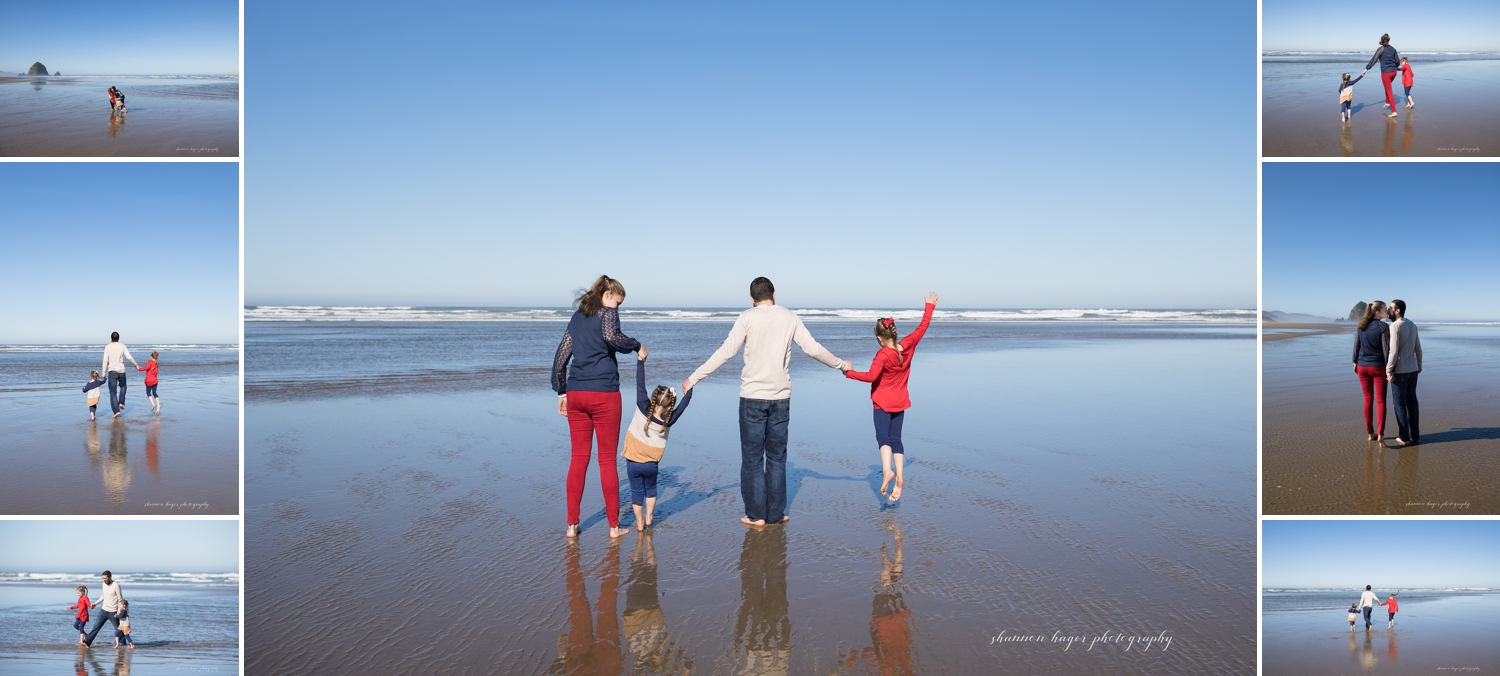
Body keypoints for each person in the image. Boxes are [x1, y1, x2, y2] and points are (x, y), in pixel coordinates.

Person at [684, 277, 851, 527]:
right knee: (777, 458)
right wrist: (841, 365)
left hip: (752, 397)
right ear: (774, 293)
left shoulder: (746, 318)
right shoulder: (789, 317)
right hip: (780, 398)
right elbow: (813, 349)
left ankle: (756, 516)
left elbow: (726, 352)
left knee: (752, 459)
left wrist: (694, 377)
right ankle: (776, 514)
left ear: (751, 298)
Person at [551, 275, 640, 539]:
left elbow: (561, 357)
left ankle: (571, 525)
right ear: (607, 294)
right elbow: (614, 337)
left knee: (578, 459)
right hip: (603, 394)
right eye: (617, 302)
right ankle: (614, 526)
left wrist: (561, 391)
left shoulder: (577, 317)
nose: (617, 308)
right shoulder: (607, 313)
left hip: (576, 394)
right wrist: (637, 345)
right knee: (606, 460)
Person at [843, 293, 938, 502]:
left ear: (879, 338)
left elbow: (871, 377)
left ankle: (887, 471)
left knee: (882, 437)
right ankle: (900, 477)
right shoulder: (908, 346)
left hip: (882, 403)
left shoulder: (882, 355)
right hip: (900, 402)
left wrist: (848, 372)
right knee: (897, 439)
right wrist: (929, 306)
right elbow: (922, 328)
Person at [622, 346, 693, 531]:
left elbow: (640, 383)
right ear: (670, 406)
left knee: (636, 492)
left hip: (633, 461)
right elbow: (683, 407)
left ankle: (638, 524)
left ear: (653, 399)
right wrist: (689, 390)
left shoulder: (641, 406)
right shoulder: (669, 420)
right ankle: (649, 517)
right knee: (651, 490)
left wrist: (640, 361)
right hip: (651, 464)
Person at [1352, 301, 1390, 442]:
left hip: (1362, 366)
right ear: (1377, 312)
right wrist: (1388, 368)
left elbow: (1356, 345)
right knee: (1381, 401)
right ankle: (1380, 434)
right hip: (1378, 367)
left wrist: (1355, 362)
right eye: (1385, 310)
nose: (1387, 312)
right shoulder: (1384, 327)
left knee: (1367, 399)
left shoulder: (1361, 326)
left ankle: (1370, 433)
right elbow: (1386, 349)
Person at [1386, 299, 1422, 446]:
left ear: (1398, 310)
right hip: (1413, 369)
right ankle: (1415, 435)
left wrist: (1388, 369)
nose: (1388, 310)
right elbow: (1418, 347)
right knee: (1412, 402)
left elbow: (1393, 351)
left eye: (1390, 308)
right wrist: (1419, 363)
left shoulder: (1394, 326)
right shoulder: (1412, 325)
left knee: (1400, 404)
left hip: (1400, 371)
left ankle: (1404, 437)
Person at [1362, 34, 1401, 119]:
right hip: (1394, 72)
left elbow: (1374, 60)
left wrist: (1366, 69)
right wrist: (1395, 67)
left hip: (1386, 73)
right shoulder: (1393, 49)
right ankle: (1387, 102)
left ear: (1382, 40)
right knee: (1387, 87)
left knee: (1389, 90)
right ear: (1388, 40)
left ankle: (1394, 111)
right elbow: (1397, 61)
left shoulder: (1380, 49)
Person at [101, 332, 139, 418]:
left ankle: (116, 411)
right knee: (123, 386)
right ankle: (121, 402)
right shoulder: (122, 346)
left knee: (112, 392)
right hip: (121, 370)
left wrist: (103, 372)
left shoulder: (107, 347)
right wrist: (135, 364)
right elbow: (129, 357)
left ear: (111, 338)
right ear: (119, 338)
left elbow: (105, 360)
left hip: (112, 371)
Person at [83, 571, 123, 646]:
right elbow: (103, 596)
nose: (104, 580)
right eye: (103, 578)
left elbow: (120, 599)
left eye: (105, 578)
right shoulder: (103, 584)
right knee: (96, 627)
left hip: (113, 611)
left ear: (110, 577)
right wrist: (95, 603)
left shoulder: (116, 586)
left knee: (118, 629)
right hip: (103, 610)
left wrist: (119, 610)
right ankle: (87, 642)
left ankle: (123, 644)